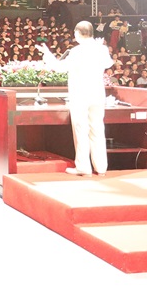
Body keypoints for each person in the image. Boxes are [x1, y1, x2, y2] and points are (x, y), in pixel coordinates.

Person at [38, 21, 113, 176]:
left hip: (81, 94)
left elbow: (60, 68)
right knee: (98, 129)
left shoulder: (77, 51)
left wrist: (48, 55)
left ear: (78, 33)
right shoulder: (102, 49)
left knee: (81, 129)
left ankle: (83, 167)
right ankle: (101, 167)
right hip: (97, 94)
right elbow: (108, 63)